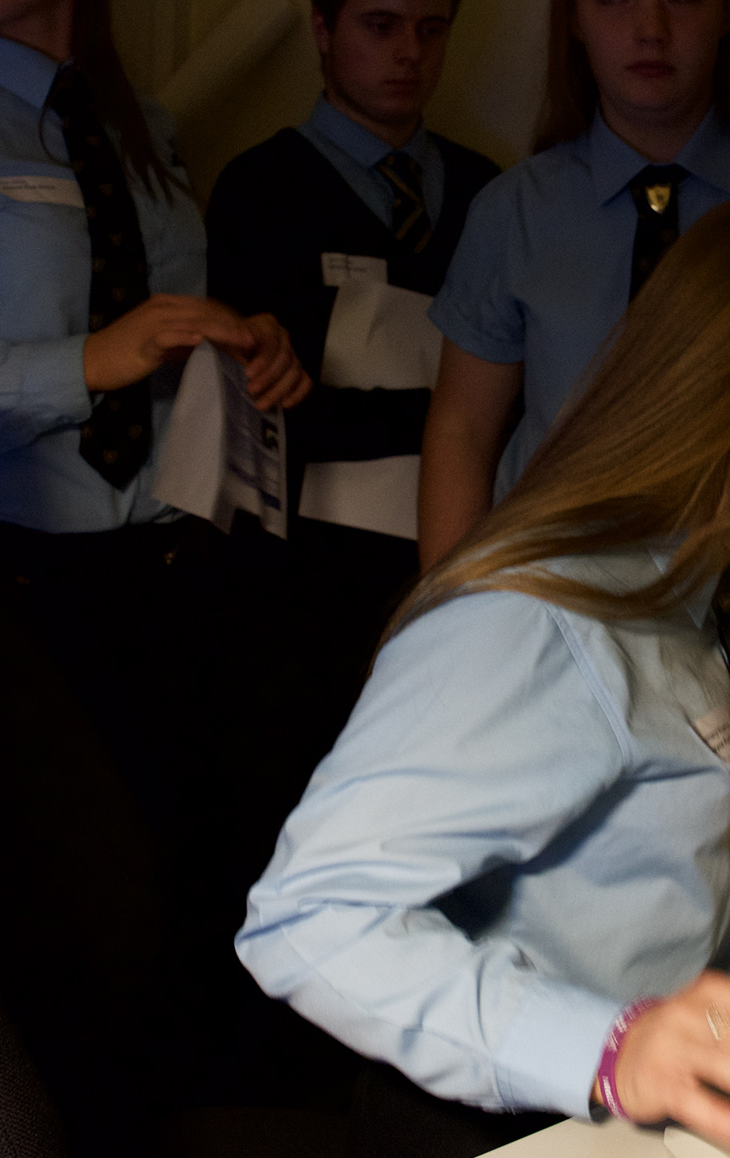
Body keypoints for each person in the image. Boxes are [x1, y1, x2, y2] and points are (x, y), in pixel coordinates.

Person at [239, 192, 730, 1157]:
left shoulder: (695, 579)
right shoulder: (534, 624)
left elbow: (654, 802)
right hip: (507, 1122)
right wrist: (611, 1049)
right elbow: (307, 922)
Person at [0, 0, 308, 1133]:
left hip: (176, 557)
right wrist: (83, 362)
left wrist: (244, 343)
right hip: (29, 578)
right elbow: (100, 342)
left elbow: (158, 314)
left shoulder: (144, 125)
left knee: (198, 884)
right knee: (89, 916)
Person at [416, 0, 730, 655]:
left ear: (727, 14)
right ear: (572, 18)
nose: (650, 29)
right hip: (553, 619)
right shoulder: (515, 211)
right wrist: (451, 630)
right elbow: (462, 430)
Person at [203, 0, 501, 932]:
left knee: (436, 830)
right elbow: (265, 407)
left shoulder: (490, 193)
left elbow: (526, 397)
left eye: (431, 26)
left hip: (454, 563)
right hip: (304, 580)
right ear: (322, 30)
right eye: (380, 24)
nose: (409, 53)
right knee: (299, 827)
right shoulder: (259, 187)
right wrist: (454, 406)